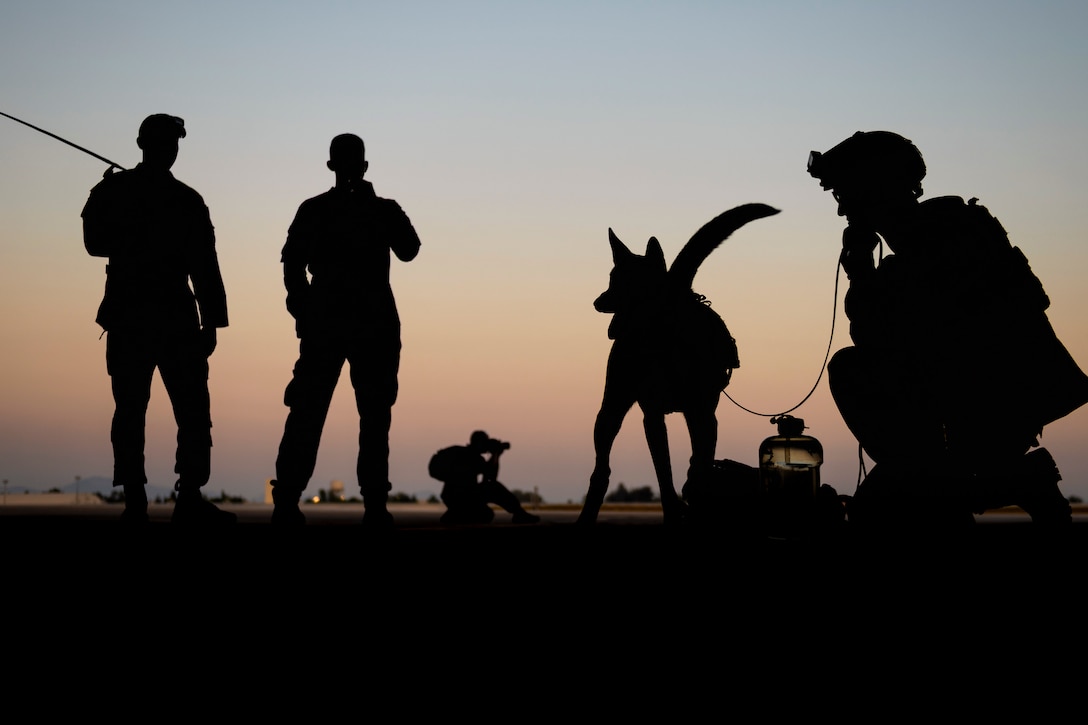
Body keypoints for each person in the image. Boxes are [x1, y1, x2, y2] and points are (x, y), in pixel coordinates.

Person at [809, 130, 1088, 531]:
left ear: (875, 185)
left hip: (987, 410)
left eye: (845, 193)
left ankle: (1007, 480)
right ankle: (1006, 480)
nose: (841, 211)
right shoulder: (929, 243)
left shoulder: (950, 237)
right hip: (966, 413)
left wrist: (862, 271)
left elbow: (900, 340)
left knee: (884, 502)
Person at [82, 113, 234, 525]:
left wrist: (212, 321)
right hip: (150, 316)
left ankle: (173, 499)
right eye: (168, 142)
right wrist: (211, 323)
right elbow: (94, 243)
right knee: (142, 410)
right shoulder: (166, 197)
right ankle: (143, 499)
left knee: (183, 410)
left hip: (160, 318)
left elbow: (205, 266)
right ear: (148, 144)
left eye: (174, 142)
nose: (172, 149)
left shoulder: (177, 198)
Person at [270, 133, 420, 527]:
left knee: (365, 415)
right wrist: (302, 307)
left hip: (359, 325)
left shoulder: (372, 210)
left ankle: (368, 502)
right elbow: (291, 266)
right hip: (340, 324)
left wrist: (303, 306)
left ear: (333, 166)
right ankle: (290, 499)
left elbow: (409, 249)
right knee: (314, 411)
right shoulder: (321, 210)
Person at [429, 431, 541, 525]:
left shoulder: (462, 452)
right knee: (489, 501)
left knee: (486, 514)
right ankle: (519, 513)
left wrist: (495, 455)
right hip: (461, 495)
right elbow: (491, 479)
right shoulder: (472, 457)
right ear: (479, 443)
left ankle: (454, 515)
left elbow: (488, 478)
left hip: (453, 496)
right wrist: (496, 455)